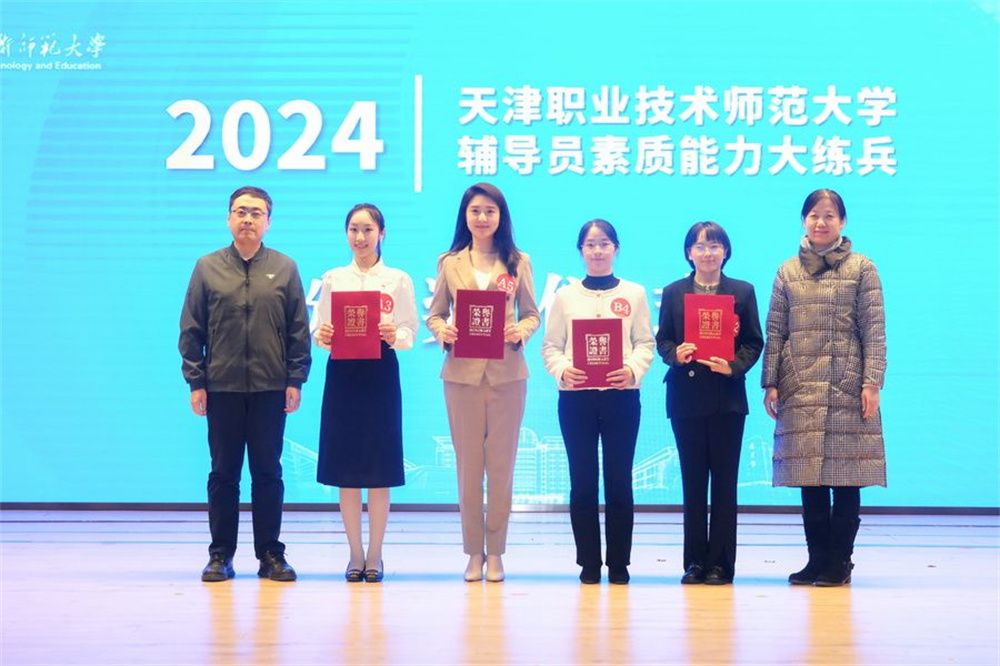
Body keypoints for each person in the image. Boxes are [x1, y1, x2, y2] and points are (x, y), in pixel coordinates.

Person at [179, 186, 312, 582]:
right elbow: (191, 329)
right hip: (221, 387)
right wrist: (196, 381)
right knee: (224, 474)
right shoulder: (207, 267)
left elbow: (298, 329)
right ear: (228, 219)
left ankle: (271, 554)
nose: (248, 219)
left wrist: (296, 378)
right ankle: (220, 554)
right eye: (240, 212)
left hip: (271, 387)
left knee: (268, 473)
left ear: (268, 221)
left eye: (256, 213)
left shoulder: (285, 268)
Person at [762, 188, 886, 587]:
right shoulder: (786, 271)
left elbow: (874, 331)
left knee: (846, 477)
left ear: (842, 222)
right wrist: (771, 382)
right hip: (800, 386)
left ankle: (839, 562)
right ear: (804, 220)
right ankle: (816, 561)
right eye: (814, 215)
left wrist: (871, 382)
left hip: (846, 385)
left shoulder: (862, 268)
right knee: (809, 479)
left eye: (829, 215)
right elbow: (776, 330)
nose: (821, 222)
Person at [426, 182, 540, 583]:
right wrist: (443, 332)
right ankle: (473, 552)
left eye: (490, 211)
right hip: (461, 376)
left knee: (502, 468)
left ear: (500, 216)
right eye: (475, 210)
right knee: (468, 469)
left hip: (508, 375)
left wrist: (520, 331)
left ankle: (497, 553)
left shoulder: (518, 261)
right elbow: (435, 313)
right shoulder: (450, 262)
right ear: (465, 215)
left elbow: (531, 313)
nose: (482, 217)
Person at [541, 220, 655, 585]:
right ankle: (589, 562)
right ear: (581, 251)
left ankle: (619, 562)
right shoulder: (565, 296)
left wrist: (632, 370)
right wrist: (563, 370)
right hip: (577, 400)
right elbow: (551, 346)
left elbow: (645, 343)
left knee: (620, 480)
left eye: (604, 243)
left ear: (616, 249)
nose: (597, 251)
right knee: (583, 481)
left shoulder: (634, 293)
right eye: (590, 245)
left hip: (622, 398)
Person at [313, 203, 417, 583]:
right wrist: (323, 335)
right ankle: (354, 554)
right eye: (354, 230)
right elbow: (320, 330)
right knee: (347, 470)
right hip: (343, 375)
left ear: (382, 234)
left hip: (380, 374)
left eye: (368, 230)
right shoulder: (333, 278)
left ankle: (375, 555)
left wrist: (395, 334)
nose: (360, 237)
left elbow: (409, 331)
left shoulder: (398, 279)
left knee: (379, 468)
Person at [655, 222, 763, 585]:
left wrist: (733, 365)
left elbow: (753, 342)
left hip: (726, 398)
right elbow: (663, 340)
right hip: (685, 398)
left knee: (725, 484)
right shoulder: (674, 292)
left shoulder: (742, 292)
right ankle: (695, 562)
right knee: (693, 482)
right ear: (689, 253)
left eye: (715, 246)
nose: (707, 253)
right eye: (700, 246)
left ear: (725, 252)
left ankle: (721, 564)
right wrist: (676, 354)